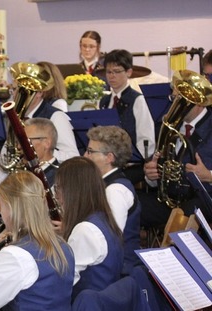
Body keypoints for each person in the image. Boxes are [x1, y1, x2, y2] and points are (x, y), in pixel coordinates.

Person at [0, 171, 75, 311]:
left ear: (12, 208)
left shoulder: (16, 255)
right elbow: (17, 280)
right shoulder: (63, 245)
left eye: (2, 206)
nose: (1, 213)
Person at [54, 157, 123, 300]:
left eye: (58, 188)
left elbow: (64, 282)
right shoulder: (103, 217)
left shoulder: (85, 231)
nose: (57, 197)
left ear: (72, 191)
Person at [141, 101, 212, 228]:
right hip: (170, 198)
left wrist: (209, 176)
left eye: (182, 99)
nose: (176, 104)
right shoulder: (170, 127)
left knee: (182, 217)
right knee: (131, 204)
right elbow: (158, 161)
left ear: (199, 102)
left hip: (204, 199)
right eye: (174, 98)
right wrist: (151, 174)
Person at [84, 126, 141, 275]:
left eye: (90, 151)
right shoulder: (105, 184)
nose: (85, 155)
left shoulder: (115, 191)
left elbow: (109, 237)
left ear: (109, 157)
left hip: (118, 271)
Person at [98, 49, 156, 166]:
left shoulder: (137, 100)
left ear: (128, 72)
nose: (112, 76)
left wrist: (137, 159)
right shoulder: (104, 101)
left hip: (131, 163)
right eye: (109, 72)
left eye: (117, 71)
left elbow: (146, 137)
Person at [0, 117, 60, 194]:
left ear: (46, 143)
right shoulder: (23, 172)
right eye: (18, 141)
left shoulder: (60, 178)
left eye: (24, 141)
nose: (18, 146)